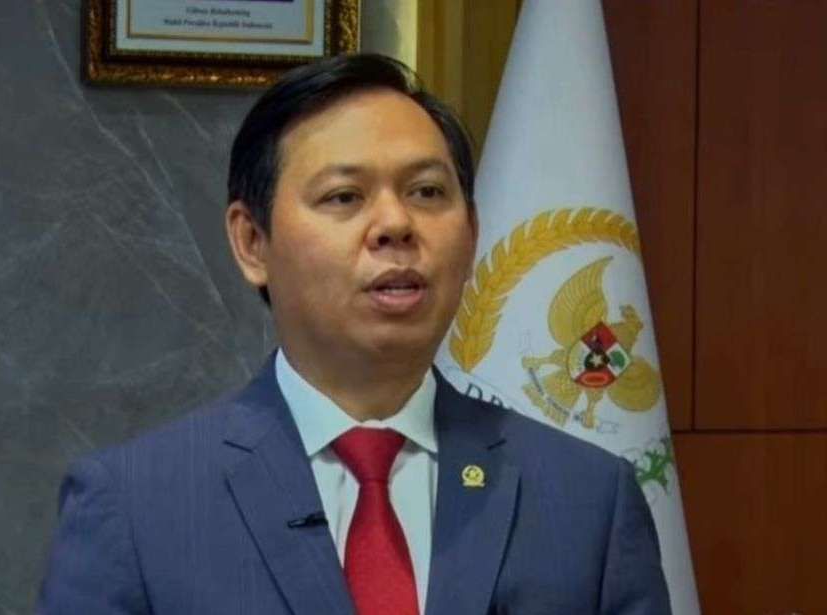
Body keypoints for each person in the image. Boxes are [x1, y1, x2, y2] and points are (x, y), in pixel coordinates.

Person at [37, 53, 671, 615]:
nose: (395, 223)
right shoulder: (136, 507)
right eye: (344, 197)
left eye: (427, 191)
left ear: (473, 233)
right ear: (252, 242)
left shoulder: (586, 500)